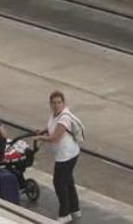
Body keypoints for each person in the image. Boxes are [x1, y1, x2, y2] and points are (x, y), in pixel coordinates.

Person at [37, 91, 84, 223]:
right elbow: (51, 127)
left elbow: (55, 138)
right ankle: (75, 209)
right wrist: (43, 130)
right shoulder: (54, 115)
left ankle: (64, 213)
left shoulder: (64, 118)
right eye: (54, 103)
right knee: (68, 180)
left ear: (64, 103)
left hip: (67, 155)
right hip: (66, 153)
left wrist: (40, 137)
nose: (57, 105)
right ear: (50, 104)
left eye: (59, 102)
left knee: (59, 182)